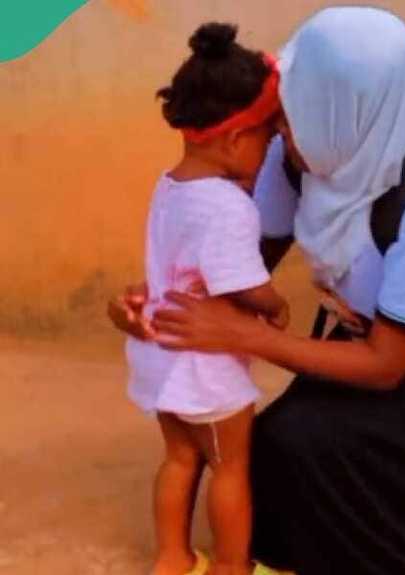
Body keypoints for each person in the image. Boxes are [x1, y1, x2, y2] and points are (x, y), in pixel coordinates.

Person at [110, 7, 405, 574]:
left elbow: (386, 365)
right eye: (282, 115)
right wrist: (158, 300)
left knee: (308, 450)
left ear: (344, 113)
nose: (279, 132)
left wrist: (242, 334)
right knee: (272, 448)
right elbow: (236, 267)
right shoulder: (302, 155)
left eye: (293, 117)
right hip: (371, 337)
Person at [124, 22, 287, 575]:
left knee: (178, 458)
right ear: (236, 139)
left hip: (161, 350)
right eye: (267, 136)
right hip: (205, 366)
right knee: (230, 467)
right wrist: (273, 305)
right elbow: (239, 281)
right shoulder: (228, 205)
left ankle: (172, 556)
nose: (272, 148)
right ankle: (232, 566)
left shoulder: (170, 185)